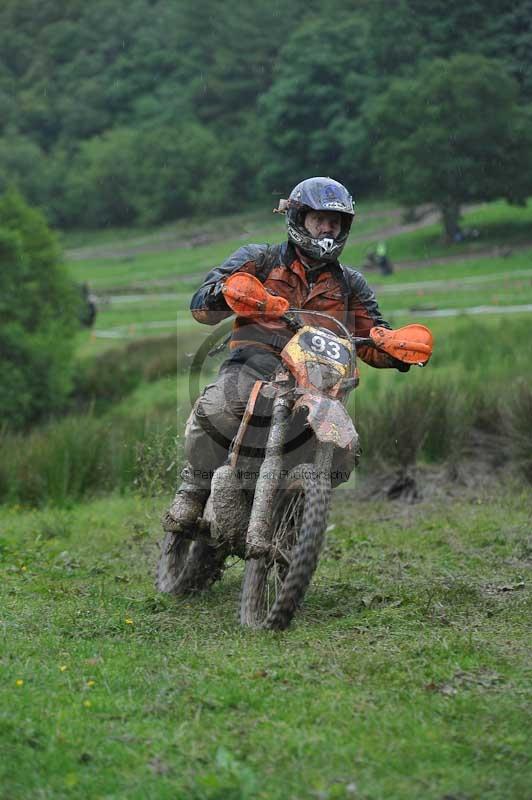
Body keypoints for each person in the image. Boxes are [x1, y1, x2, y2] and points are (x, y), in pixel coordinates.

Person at [162, 177, 410, 534]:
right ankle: (195, 485)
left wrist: (398, 349)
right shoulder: (260, 260)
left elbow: (372, 337)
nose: (328, 228)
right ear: (298, 218)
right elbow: (201, 307)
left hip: (319, 378)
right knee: (218, 410)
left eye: (335, 221)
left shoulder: (350, 284)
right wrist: (230, 294)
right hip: (255, 362)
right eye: (319, 219)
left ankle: (298, 512)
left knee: (344, 448)